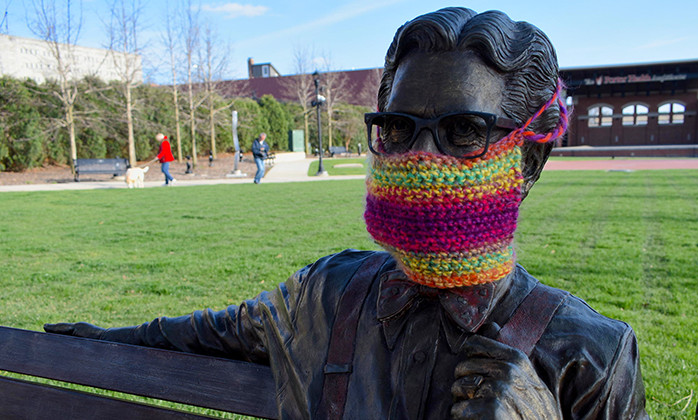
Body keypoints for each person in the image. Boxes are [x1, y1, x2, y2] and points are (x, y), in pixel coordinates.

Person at [45, 8, 648, 419]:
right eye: (399, 128)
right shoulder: (324, 297)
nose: (421, 158)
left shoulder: (589, 356)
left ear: (531, 157)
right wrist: (102, 344)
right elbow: (207, 333)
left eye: (464, 131)